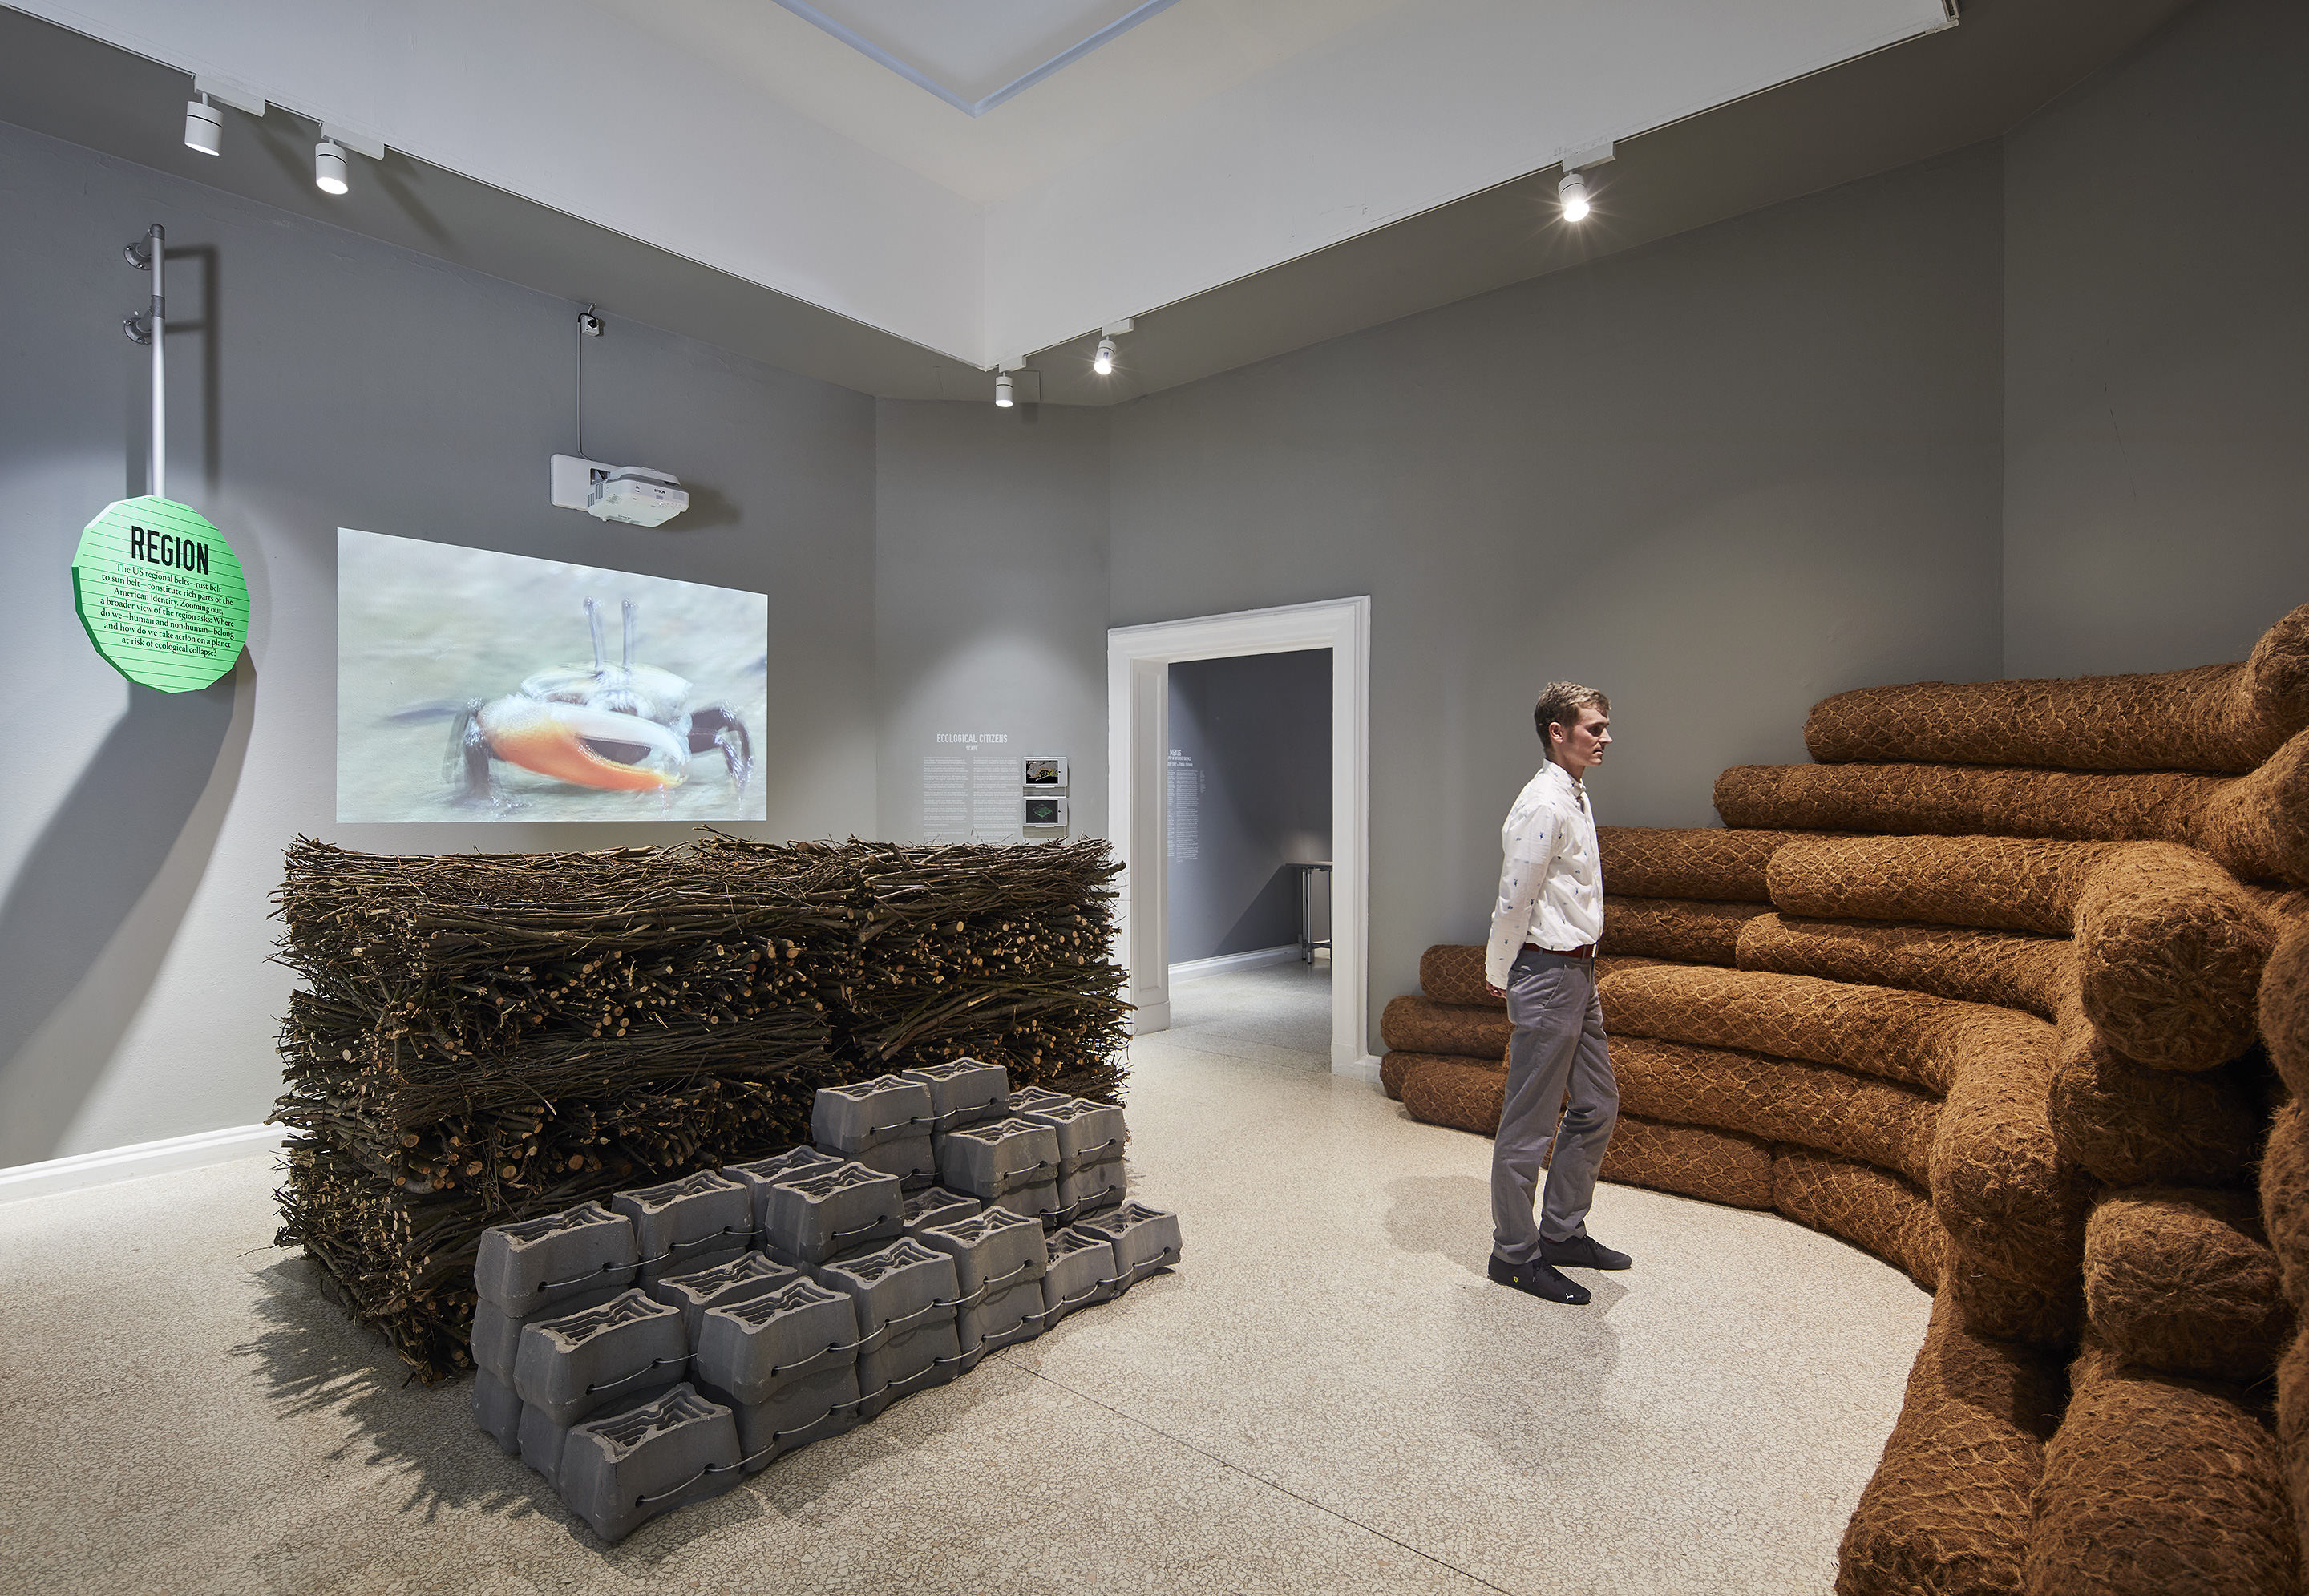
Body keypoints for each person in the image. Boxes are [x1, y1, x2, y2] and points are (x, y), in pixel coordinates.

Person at [1482, 682, 1628, 1306]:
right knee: (1528, 1123)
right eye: (1593, 727)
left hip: (1579, 974)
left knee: (1597, 1102)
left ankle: (1562, 1231)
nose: (1605, 737)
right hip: (1546, 974)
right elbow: (1515, 896)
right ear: (1557, 732)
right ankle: (1513, 1253)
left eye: (1603, 726)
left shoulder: (1574, 791)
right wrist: (1499, 969)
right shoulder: (1544, 802)